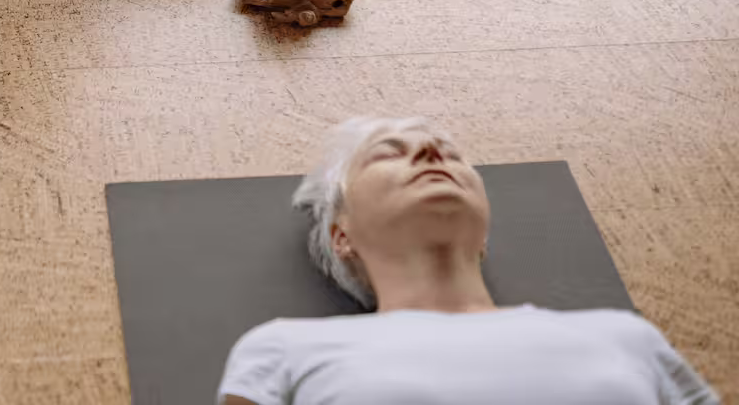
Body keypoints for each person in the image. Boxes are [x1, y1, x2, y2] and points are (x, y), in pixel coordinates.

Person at [218, 118, 718, 405]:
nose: (433, 150)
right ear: (341, 235)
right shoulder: (285, 348)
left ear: (484, 234)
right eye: (389, 153)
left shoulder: (623, 336)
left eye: (451, 154)